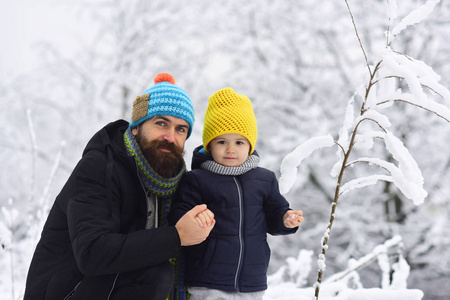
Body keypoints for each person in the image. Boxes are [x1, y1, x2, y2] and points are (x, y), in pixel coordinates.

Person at [24, 73, 215, 300]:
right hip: (64, 293)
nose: (170, 137)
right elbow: (92, 252)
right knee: (157, 273)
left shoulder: (175, 181)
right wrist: (177, 236)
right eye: (161, 123)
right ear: (136, 127)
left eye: (180, 129)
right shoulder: (99, 167)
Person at [168, 87, 304, 300]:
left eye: (239, 142)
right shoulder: (196, 179)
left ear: (250, 145)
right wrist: (195, 218)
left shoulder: (264, 179)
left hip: (252, 281)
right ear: (209, 145)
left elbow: (275, 213)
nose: (230, 149)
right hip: (208, 280)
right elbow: (179, 215)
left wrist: (285, 219)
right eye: (222, 142)